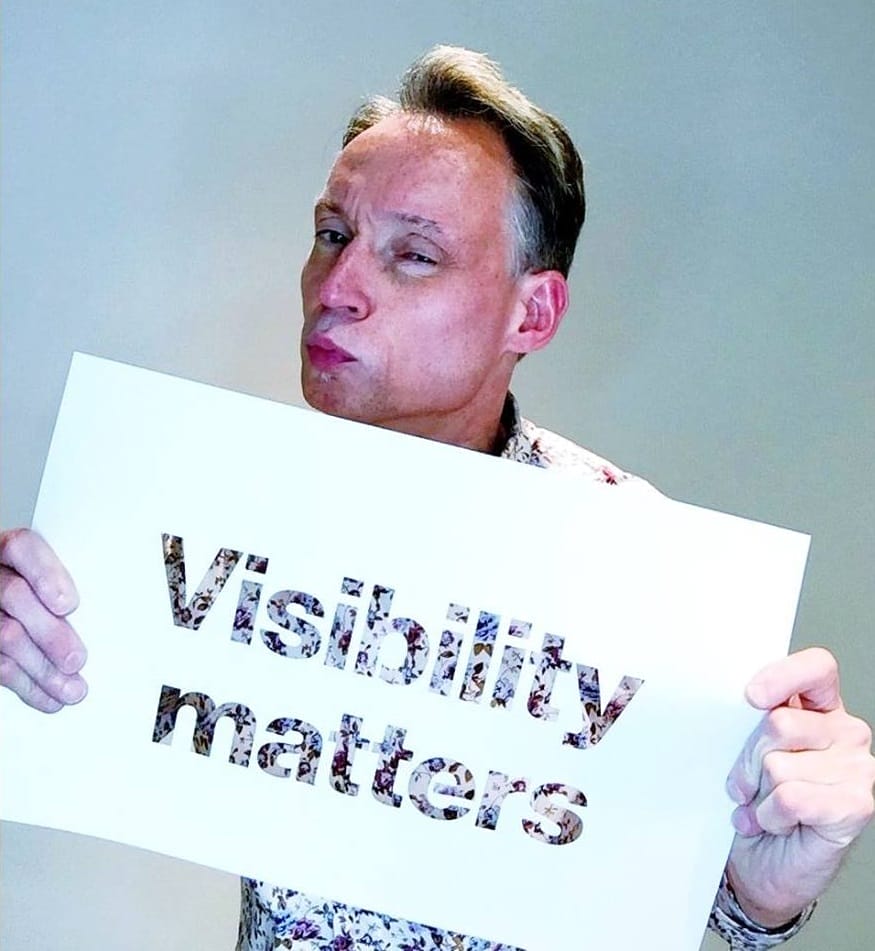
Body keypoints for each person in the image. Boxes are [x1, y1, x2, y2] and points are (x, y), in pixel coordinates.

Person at [1, 45, 873, 951]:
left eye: (413, 255)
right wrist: (33, 647)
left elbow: (672, 917)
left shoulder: (638, 569)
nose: (336, 291)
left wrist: (759, 900)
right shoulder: (218, 511)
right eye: (332, 235)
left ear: (529, 315)